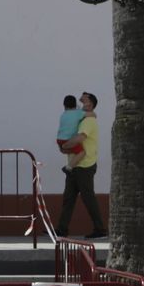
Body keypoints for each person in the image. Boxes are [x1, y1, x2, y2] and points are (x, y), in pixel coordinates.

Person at [55, 91, 107, 239]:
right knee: (68, 199)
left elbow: (79, 138)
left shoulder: (88, 121)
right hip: (74, 165)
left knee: (88, 199)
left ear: (90, 103)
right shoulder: (80, 117)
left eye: (85, 98)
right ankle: (62, 229)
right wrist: (65, 148)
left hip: (85, 166)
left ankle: (100, 230)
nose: (82, 99)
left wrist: (65, 145)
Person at [55, 94, 85, 171]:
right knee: (82, 152)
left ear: (64, 106)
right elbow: (88, 114)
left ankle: (66, 151)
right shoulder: (78, 113)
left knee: (67, 151)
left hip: (59, 139)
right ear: (75, 105)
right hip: (68, 140)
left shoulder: (63, 115)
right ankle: (69, 166)